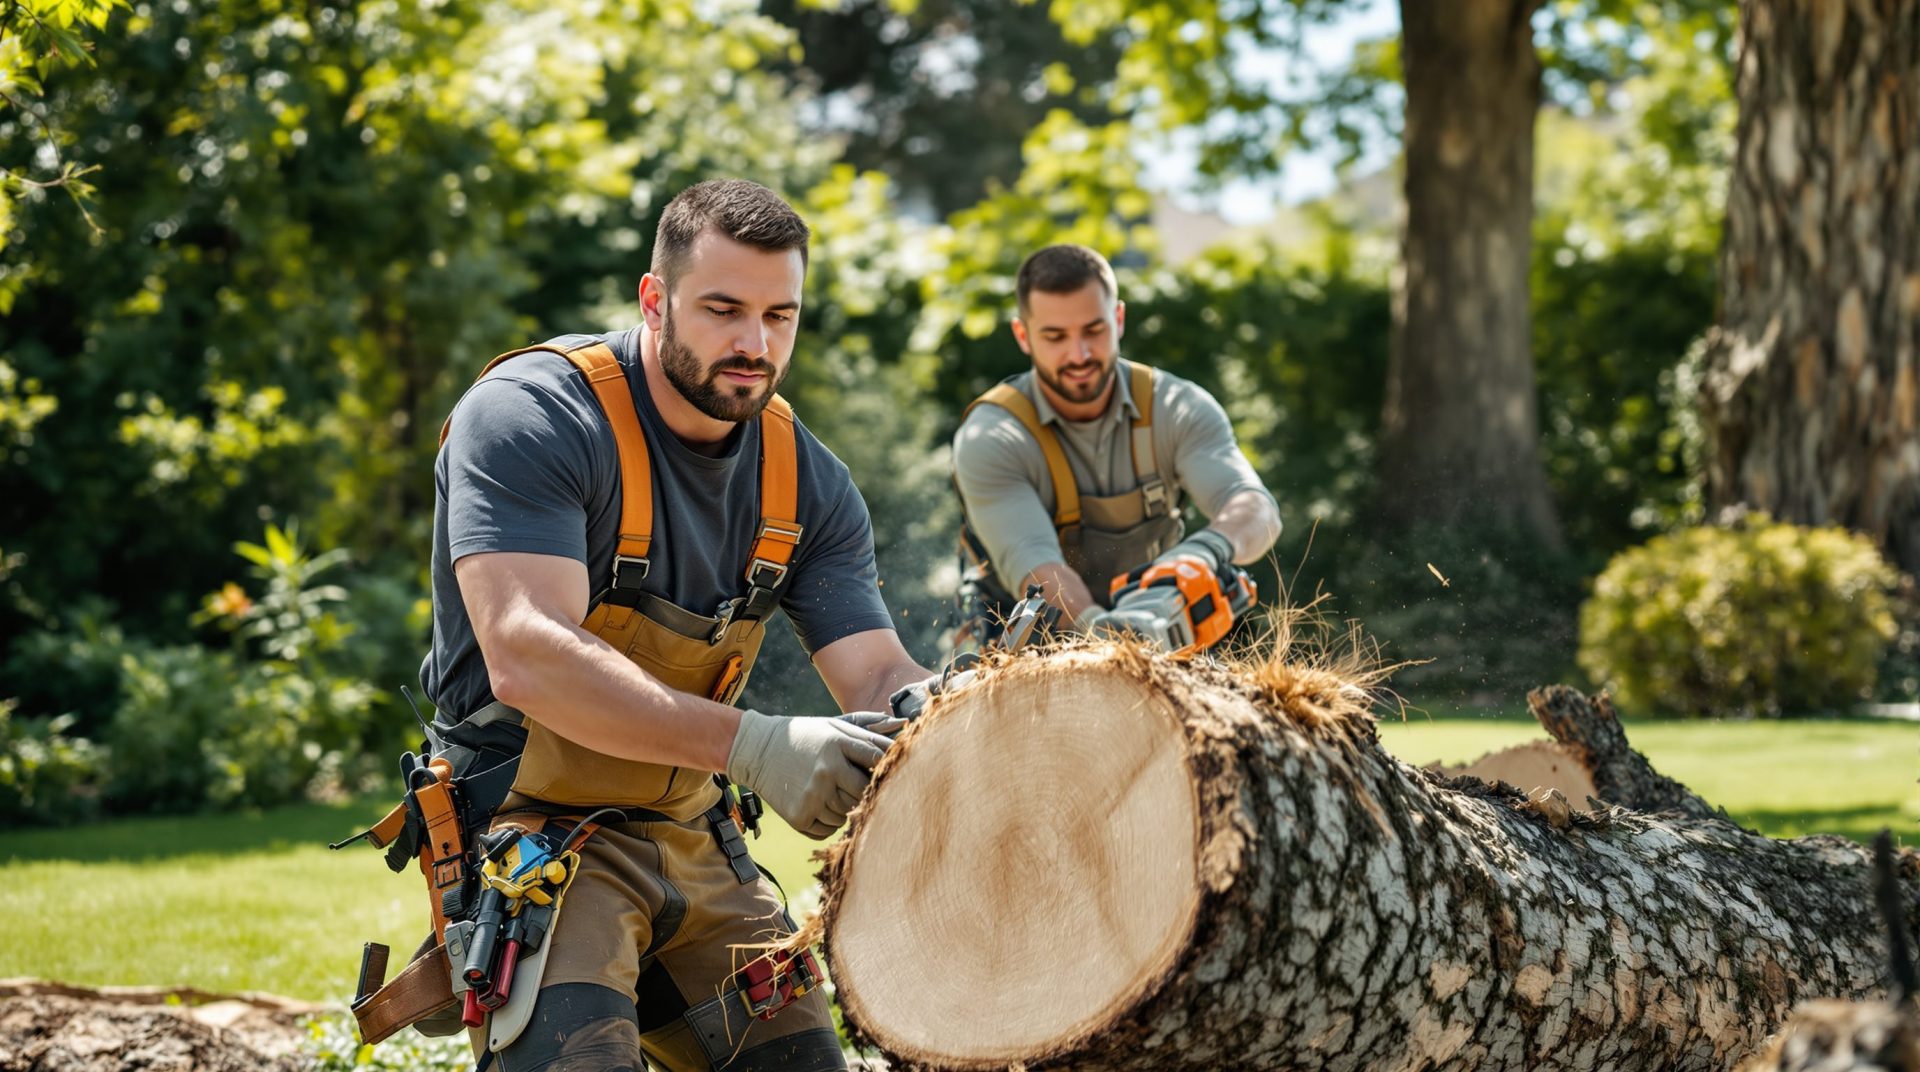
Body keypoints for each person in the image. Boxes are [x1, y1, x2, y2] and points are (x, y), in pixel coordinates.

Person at [422, 179, 927, 1071]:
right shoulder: (534, 415)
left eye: (781, 316)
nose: (754, 344)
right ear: (654, 299)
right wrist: (761, 746)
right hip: (535, 835)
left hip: (695, 838)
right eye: (724, 310)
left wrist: (957, 710)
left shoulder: (807, 480)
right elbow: (528, 653)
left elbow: (878, 675)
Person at [951, 243, 1282, 647]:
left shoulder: (1177, 407)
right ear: (1023, 335)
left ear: (1119, 318)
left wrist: (1203, 552)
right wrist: (1113, 641)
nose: (1079, 354)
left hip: (1158, 632)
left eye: (1094, 330)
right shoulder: (991, 436)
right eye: (1055, 337)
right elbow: (1036, 565)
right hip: (1028, 644)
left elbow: (1257, 508)